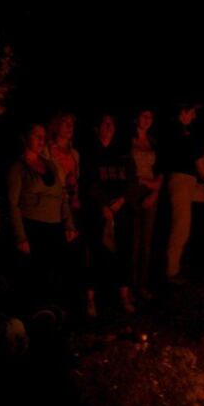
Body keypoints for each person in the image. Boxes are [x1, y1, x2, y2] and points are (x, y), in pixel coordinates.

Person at [7, 123, 78, 314]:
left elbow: (61, 196)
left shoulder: (49, 165)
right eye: (36, 136)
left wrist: (69, 223)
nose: (41, 140)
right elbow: (12, 204)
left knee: (55, 273)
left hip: (54, 226)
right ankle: (35, 318)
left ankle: (54, 316)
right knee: (35, 275)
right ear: (26, 138)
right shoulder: (18, 168)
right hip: (33, 226)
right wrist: (20, 236)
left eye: (43, 136)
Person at [82, 114, 137, 313]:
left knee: (123, 251)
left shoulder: (122, 153)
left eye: (111, 123)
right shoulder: (90, 153)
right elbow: (89, 183)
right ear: (98, 127)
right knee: (95, 252)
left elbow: (132, 181)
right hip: (98, 211)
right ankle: (91, 299)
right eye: (104, 122)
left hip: (121, 210)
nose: (108, 126)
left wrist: (122, 200)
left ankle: (124, 295)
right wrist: (103, 205)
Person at [47, 112, 96, 316]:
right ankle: (61, 303)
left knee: (81, 252)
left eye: (71, 124)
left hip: (75, 206)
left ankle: (84, 301)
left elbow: (78, 180)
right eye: (65, 123)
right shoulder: (48, 151)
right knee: (61, 254)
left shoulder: (75, 154)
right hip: (57, 207)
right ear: (56, 125)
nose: (69, 127)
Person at [165, 102, 204, 284]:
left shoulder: (185, 131)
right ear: (183, 112)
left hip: (191, 181)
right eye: (192, 112)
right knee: (181, 225)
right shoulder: (177, 131)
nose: (194, 116)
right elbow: (197, 160)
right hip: (181, 180)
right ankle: (171, 271)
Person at [130, 108, 163, 300]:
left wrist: (155, 191)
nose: (147, 119)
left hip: (151, 193)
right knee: (133, 241)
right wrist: (143, 182)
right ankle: (129, 285)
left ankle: (142, 285)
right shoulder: (129, 142)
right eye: (143, 115)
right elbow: (128, 170)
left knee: (146, 242)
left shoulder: (154, 143)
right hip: (134, 192)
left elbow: (160, 171)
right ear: (136, 118)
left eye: (150, 116)